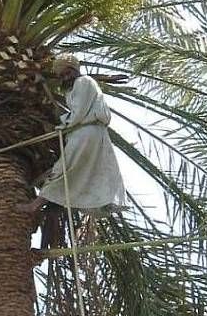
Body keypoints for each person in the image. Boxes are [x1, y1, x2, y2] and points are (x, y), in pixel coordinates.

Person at [17, 54, 127, 215]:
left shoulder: (84, 82)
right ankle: (103, 201)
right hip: (90, 134)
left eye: (66, 73)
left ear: (74, 70)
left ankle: (34, 206)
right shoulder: (75, 88)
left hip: (85, 133)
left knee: (64, 169)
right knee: (91, 169)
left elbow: (79, 113)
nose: (64, 77)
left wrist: (63, 125)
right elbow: (77, 112)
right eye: (61, 75)